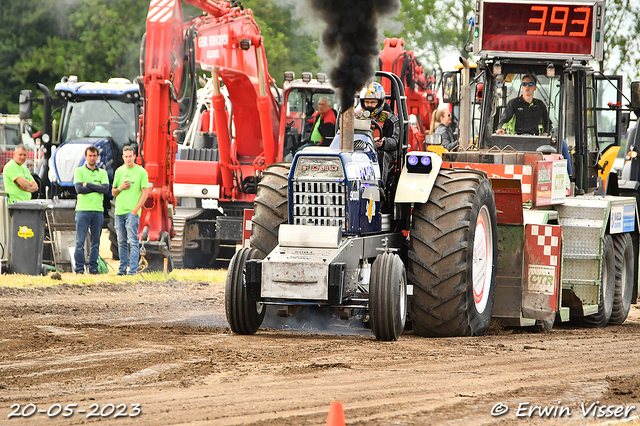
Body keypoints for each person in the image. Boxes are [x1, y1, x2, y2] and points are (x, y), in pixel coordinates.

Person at [112, 146, 149, 276]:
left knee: (132, 241)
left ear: (135, 156)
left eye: (130, 156)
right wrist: (121, 187)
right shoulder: (119, 171)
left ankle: (132, 270)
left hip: (132, 212)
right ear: (123, 157)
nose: (128, 159)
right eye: (126, 156)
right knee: (121, 241)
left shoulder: (141, 172)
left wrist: (135, 210)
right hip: (119, 211)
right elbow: (114, 192)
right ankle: (122, 270)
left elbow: (145, 193)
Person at [73, 146, 109, 274]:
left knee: (95, 242)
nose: (92, 158)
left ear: (97, 157)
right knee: (80, 241)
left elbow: (105, 190)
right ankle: (79, 268)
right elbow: (79, 190)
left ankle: (93, 267)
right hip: (83, 210)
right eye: (90, 155)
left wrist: (87, 184)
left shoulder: (102, 173)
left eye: (94, 155)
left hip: (98, 210)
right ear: (86, 157)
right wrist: (97, 186)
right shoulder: (79, 171)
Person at [360, 82, 400, 189]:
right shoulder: (357, 117)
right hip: (360, 151)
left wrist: (383, 143)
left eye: (372, 102)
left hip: (384, 153)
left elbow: (396, 141)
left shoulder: (391, 119)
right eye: (366, 102)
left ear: (380, 102)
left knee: (381, 155)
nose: (369, 105)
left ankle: (379, 188)